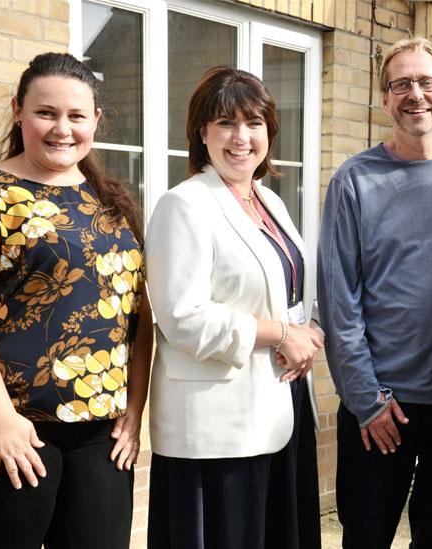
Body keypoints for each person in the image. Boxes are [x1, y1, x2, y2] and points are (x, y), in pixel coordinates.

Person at [317, 37, 432, 548]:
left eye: (427, 82)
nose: (415, 94)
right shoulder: (353, 181)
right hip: (383, 406)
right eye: (401, 84)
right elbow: (339, 301)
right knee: (366, 537)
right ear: (385, 99)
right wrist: (365, 400)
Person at [145, 66, 323, 548]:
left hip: (279, 405)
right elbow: (181, 316)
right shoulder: (183, 205)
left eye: (254, 123)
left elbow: (285, 289)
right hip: (217, 423)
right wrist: (280, 335)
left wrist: (306, 331)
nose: (241, 137)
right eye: (225, 123)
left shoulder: (268, 200)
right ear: (202, 133)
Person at [0, 52, 152, 548]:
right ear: (19, 110)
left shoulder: (112, 200)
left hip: (101, 435)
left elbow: (138, 313)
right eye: (46, 112)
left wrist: (135, 408)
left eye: (77, 116)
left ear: (96, 121)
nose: (62, 129)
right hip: (18, 431)